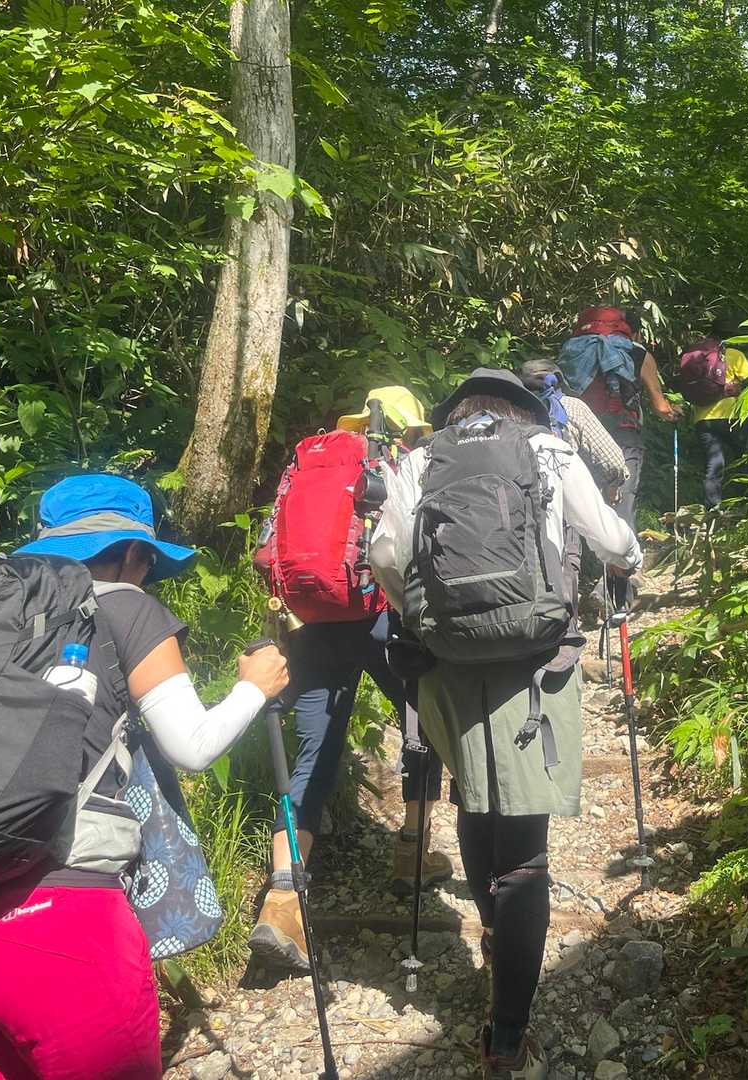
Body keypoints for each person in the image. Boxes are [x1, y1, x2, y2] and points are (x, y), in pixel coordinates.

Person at [0, 473, 289, 1079]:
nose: (147, 574)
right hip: (60, 924)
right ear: (130, 553)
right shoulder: (124, 604)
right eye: (147, 560)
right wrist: (253, 689)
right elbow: (192, 746)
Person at [370, 369, 642, 1079]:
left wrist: (421, 615)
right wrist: (631, 560)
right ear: (522, 410)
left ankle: (493, 932)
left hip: (446, 660)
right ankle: (508, 1039)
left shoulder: (421, 459)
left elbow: (385, 555)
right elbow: (609, 538)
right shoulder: (548, 449)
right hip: (534, 663)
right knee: (525, 850)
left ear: (455, 411)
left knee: (473, 797)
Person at [249, 386, 450, 972]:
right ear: (410, 426)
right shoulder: (403, 463)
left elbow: (271, 548)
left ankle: (281, 899)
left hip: (315, 619)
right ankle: (412, 851)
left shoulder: (314, 463)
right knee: (423, 724)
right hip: (384, 618)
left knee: (314, 754)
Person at [566, 307, 680, 531]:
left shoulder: (576, 350)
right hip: (623, 433)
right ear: (632, 332)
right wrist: (673, 411)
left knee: (583, 503)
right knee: (621, 503)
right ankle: (623, 552)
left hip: (581, 434)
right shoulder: (638, 354)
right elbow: (661, 407)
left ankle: (584, 553)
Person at [518, 357, 628, 497]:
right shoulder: (572, 406)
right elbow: (612, 463)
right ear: (559, 381)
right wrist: (612, 486)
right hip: (568, 499)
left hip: (520, 499)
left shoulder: (509, 411)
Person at [693, 314, 748, 509]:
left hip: (703, 418)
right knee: (745, 461)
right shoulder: (735, 355)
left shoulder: (698, 356)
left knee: (714, 465)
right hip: (733, 416)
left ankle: (713, 509)